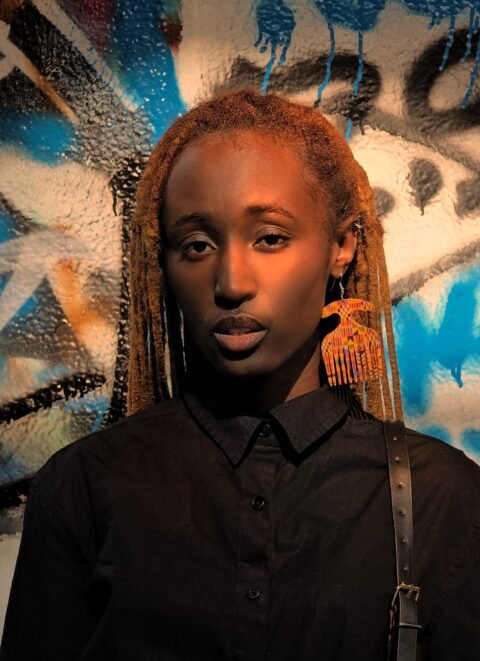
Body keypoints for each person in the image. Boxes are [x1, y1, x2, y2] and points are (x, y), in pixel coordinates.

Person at [1, 89, 480, 661]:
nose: (231, 282)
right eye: (197, 245)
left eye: (270, 238)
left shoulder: (442, 496)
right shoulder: (83, 487)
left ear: (342, 246)